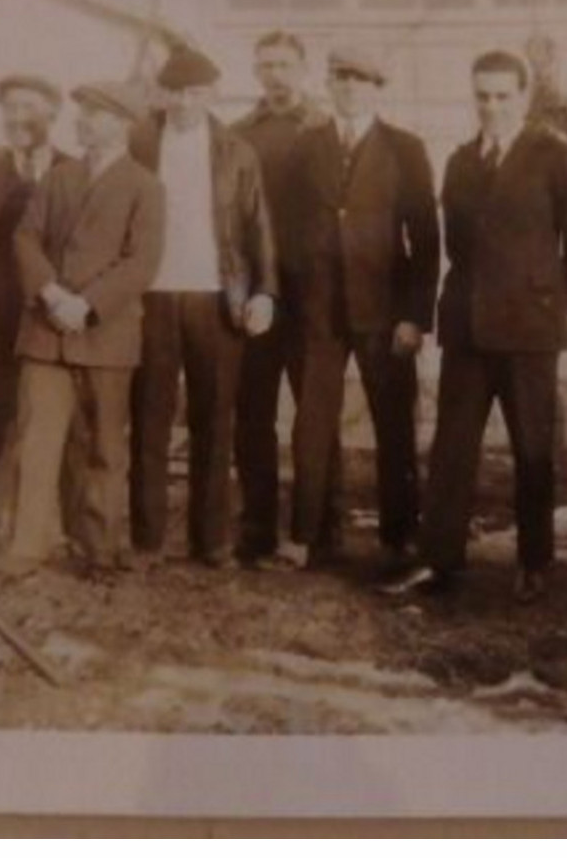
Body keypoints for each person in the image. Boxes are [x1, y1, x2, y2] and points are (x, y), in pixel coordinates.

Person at [382, 50, 567, 603]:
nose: (492, 107)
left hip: (529, 332)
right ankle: (439, 561)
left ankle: (534, 563)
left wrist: (549, 305)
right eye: (482, 95)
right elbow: (458, 249)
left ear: (524, 98)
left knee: (532, 450)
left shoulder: (555, 159)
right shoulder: (460, 162)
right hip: (467, 331)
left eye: (503, 96)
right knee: (452, 449)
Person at [287, 44, 439, 572]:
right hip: (318, 313)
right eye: (340, 78)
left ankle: (399, 536)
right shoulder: (306, 147)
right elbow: (290, 232)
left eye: (360, 79)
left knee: (394, 425)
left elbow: (425, 240)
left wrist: (415, 317)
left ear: (377, 88)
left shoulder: (405, 149)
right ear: (328, 86)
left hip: (385, 313)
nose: (349, 87)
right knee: (312, 425)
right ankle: (309, 534)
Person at [7, 80, 165, 578]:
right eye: (81, 112)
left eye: (93, 113)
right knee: (36, 441)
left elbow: (141, 263)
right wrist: (51, 294)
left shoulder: (146, 186)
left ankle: (98, 548)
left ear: (122, 123)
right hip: (46, 332)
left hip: (106, 335)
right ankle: (26, 548)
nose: (81, 120)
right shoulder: (58, 178)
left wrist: (88, 305)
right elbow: (25, 237)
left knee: (103, 447)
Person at [129, 45, 279, 568]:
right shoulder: (140, 142)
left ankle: (210, 540)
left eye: (197, 93)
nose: (187, 103)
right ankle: (146, 540)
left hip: (219, 298)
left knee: (214, 420)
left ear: (212, 94)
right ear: (163, 94)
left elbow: (258, 227)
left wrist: (264, 292)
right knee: (149, 417)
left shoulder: (236, 150)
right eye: (177, 92)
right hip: (151, 298)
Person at [0, 75, 78, 576]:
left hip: (58, 320)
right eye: (9, 108)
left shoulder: (78, 170)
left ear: (52, 113)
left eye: (29, 107)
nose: (18, 118)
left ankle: (66, 537)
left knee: (64, 431)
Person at [229, 31, 343, 570]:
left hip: (314, 293)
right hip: (257, 292)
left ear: (303, 69)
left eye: (284, 65)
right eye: (265, 65)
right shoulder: (238, 136)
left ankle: (318, 531)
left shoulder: (326, 130)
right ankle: (256, 528)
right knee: (252, 412)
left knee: (315, 415)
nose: (275, 75)